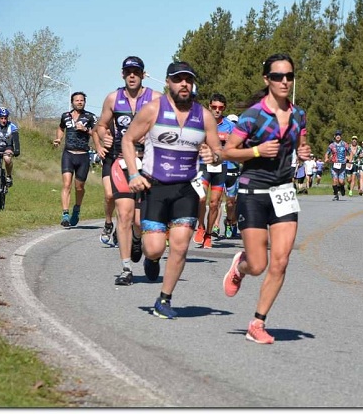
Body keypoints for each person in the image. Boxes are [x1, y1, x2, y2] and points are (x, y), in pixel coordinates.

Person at [221, 53, 310, 344]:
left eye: (289, 76)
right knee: (258, 265)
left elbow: (302, 145)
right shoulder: (253, 116)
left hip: (283, 192)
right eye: (277, 76)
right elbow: (228, 151)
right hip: (253, 190)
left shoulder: (298, 114)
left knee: (281, 261)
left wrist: (305, 153)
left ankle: (257, 323)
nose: (284, 81)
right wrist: (258, 151)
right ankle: (241, 266)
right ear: (267, 80)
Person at [122, 61, 221, 319]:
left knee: (179, 246)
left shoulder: (204, 116)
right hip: (155, 187)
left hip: (185, 189)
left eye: (188, 79)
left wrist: (215, 155)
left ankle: (164, 299)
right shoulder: (153, 110)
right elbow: (128, 139)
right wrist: (133, 173)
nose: (184, 84)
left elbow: (219, 152)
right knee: (155, 248)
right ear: (168, 82)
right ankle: (149, 257)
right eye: (178, 79)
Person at [94, 56, 163, 285]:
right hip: (122, 163)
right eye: (128, 72)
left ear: (143, 74)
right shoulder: (113, 98)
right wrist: (102, 138)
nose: (132, 75)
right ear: (122, 74)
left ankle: (140, 243)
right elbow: (101, 125)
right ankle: (125, 269)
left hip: (149, 164)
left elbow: (170, 125)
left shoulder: (155, 98)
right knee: (123, 214)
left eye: (136, 72)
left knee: (139, 220)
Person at [193, 93, 234, 248]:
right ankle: (201, 226)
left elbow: (235, 145)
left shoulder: (230, 126)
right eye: (214, 107)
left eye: (220, 108)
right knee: (201, 198)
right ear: (209, 106)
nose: (217, 110)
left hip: (221, 167)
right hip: (203, 165)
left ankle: (209, 234)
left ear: (224, 108)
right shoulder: (201, 122)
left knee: (215, 203)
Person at [53, 92, 98, 227]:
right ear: (72, 102)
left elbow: (97, 132)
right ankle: (65, 214)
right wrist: (58, 139)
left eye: (82, 100)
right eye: (77, 100)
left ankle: (76, 209)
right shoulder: (65, 116)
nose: (79, 102)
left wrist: (85, 129)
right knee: (66, 184)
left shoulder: (90, 116)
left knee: (79, 187)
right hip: (68, 154)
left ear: (85, 102)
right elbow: (61, 127)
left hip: (83, 155)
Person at [0, 107, 20, 188]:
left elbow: (16, 139)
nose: (4, 120)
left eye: (5, 118)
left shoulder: (12, 126)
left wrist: (17, 149)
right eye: (1, 118)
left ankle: (9, 176)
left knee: (7, 159)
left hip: (7, 147)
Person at [325, 130, 349, 201]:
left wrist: (349, 159)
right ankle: (336, 195)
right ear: (334, 136)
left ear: (341, 136)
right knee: (335, 180)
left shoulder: (345, 144)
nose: (338, 136)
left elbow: (350, 152)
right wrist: (326, 158)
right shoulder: (331, 145)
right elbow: (327, 153)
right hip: (334, 165)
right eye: (337, 135)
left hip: (342, 165)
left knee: (341, 181)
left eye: (339, 135)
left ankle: (342, 188)